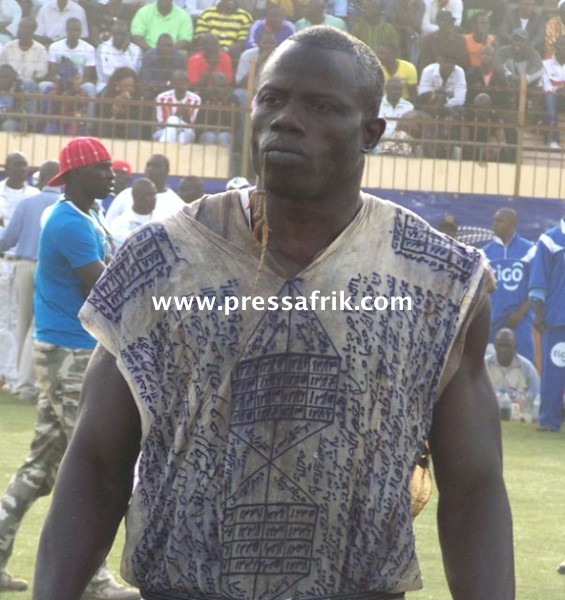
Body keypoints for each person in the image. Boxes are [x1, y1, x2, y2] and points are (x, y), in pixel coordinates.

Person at [34, 26, 514, 600]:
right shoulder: (161, 262)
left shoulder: (437, 280)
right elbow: (95, 465)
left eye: (321, 106)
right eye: (272, 99)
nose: (286, 119)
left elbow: (473, 491)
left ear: (371, 132)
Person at [0, 138, 139, 599]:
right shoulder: (68, 222)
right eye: (103, 167)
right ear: (78, 174)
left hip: (68, 348)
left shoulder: (86, 213)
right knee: (94, 463)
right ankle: (94, 579)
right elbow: (106, 287)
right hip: (69, 353)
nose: (112, 175)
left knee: (40, 467)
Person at [0, 160, 61, 404]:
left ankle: (19, 382)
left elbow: (7, 240)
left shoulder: (27, 203)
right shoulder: (65, 205)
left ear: (41, 178)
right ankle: (32, 383)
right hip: (51, 269)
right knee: (41, 326)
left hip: (24, 266)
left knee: (22, 325)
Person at [0, 152, 38, 392]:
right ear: (7, 167)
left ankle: (15, 376)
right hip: (3, 261)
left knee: (19, 321)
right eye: (17, 165)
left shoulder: (33, 195)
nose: (22, 169)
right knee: (2, 319)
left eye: (25, 165)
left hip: (23, 262)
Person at [482, 208, 536, 361]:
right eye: (494, 220)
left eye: (499, 221)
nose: (494, 224)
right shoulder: (484, 253)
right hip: (493, 322)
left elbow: (537, 287)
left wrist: (520, 313)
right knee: (489, 367)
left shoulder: (530, 250)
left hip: (521, 321)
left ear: (512, 225)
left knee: (524, 365)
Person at [529, 213, 565, 433]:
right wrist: (539, 314)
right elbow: (538, 279)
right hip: (558, 319)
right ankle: (549, 420)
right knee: (554, 373)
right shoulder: (550, 239)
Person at [105, 154, 184, 224]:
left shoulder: (177, 204)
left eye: (156, 166)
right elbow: (108, 225)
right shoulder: (125, 195)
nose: (150, 169)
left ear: (167, 171)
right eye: (148, 165)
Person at [486, 328, 540, 422]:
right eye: (500, 346)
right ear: (495, 346)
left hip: (518, 417)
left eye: (508, 346)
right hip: (487, 414)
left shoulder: (527, 368)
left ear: (515, 347)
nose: (504, 350)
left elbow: (537, 395)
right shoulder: (484, 364)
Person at [154, 69, 201, 144]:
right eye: (181, 80)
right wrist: (177, 114)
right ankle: (178, 149)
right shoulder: (162, 97)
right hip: (164, 130)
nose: (185, 82)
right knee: (174, 123)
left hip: (187, 131)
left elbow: (191, 124)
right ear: (173, 83)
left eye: (186, 80)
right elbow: (162, 124)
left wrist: (186, 116)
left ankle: (164, 148)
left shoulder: (195, 99)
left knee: (179, 129)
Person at [109, 178, 157, 247]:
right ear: (135, 196)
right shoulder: (120, 223)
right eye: (149, 195)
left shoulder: (161, 220)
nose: (153, 198)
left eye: (154, 194)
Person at [541, 35, 565, 149]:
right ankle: (552, 140)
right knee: (549, 99)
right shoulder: (545, 64)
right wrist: (558, 90)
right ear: (555, 46)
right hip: (553, 98)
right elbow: (545, 85)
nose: (563, 48)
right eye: (561, 45)